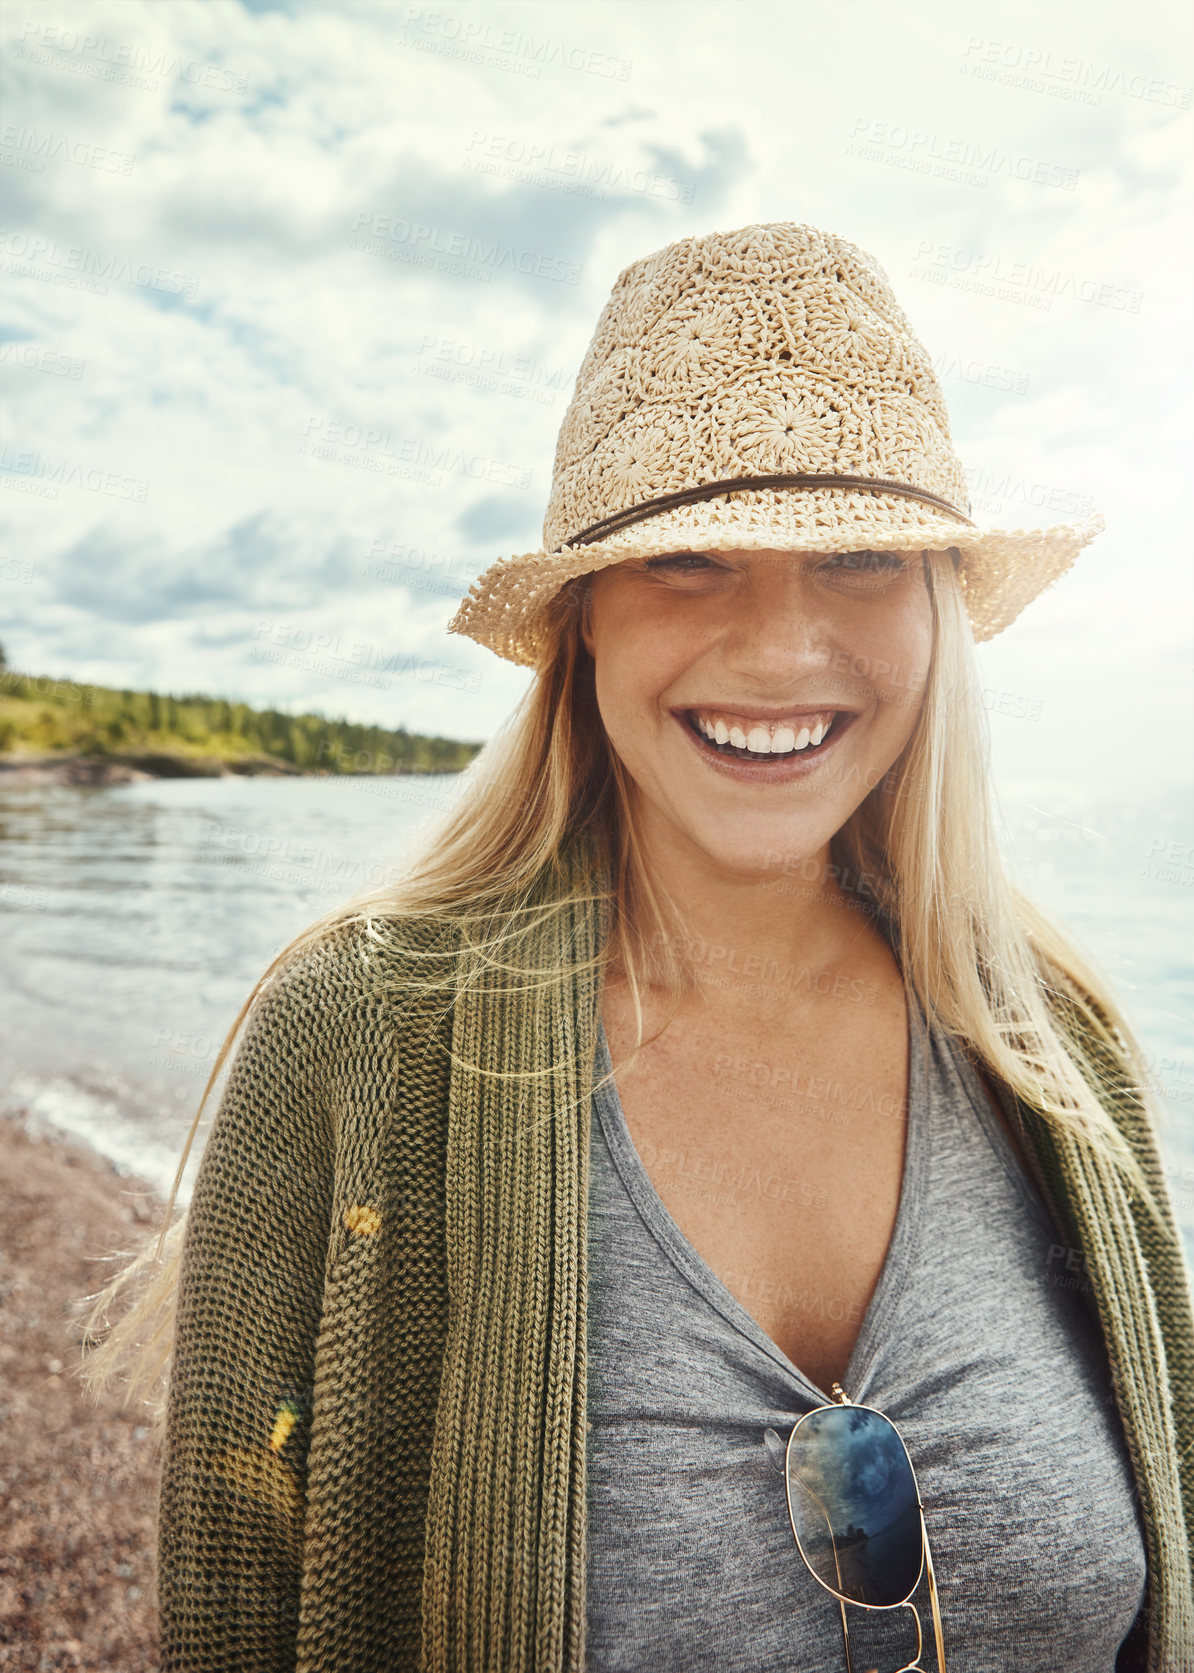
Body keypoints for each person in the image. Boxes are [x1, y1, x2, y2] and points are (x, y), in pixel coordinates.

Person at [77, 222, 1193, 1673]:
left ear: (931, 606)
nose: (781, 646)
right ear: (580, 622)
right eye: (684, 559)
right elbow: (237, 1614)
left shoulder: (1049, 1040)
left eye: (856, 555)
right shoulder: (355, 1037)